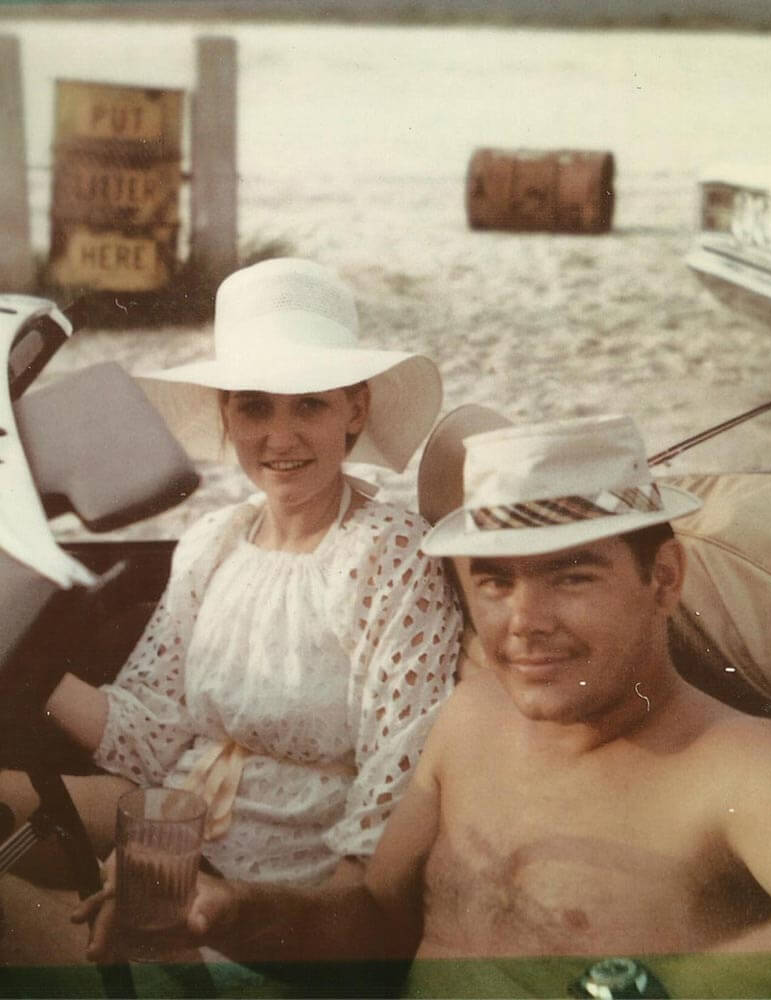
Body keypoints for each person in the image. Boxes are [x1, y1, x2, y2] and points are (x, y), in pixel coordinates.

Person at [83, 406, 771, 969]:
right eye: (494, 581)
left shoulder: (741, 766)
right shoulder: (469, 719)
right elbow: (374, 929)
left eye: (572, 576)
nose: (523, 623)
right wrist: (232, 912)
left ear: (664, 579)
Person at [0, 258, 461, 965]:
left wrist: (336, 933)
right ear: (225, 414)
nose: (280, 437)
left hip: (289, 886)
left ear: (355, 410)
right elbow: (152, 737)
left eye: (309, 403)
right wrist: (27, 671)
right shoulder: (215, 540)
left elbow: (395, 780)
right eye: (254, 406)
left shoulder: (387, 554)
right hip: (175, 823)